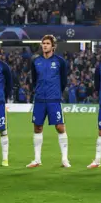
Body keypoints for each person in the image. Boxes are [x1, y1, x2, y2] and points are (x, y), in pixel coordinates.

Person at [27, 35, 70, 168]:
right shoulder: (36, 61)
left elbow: (63, 81)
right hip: (39, 99)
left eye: (47, 43)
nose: (44, 45)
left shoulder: (60, 61)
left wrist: (56, 93)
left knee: (60, 127)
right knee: (37, 127)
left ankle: (64, 159)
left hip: (53, 99)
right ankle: (37, 159)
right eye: (43, 43)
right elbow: (34, 80)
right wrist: (38, 91)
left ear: (53, 46)